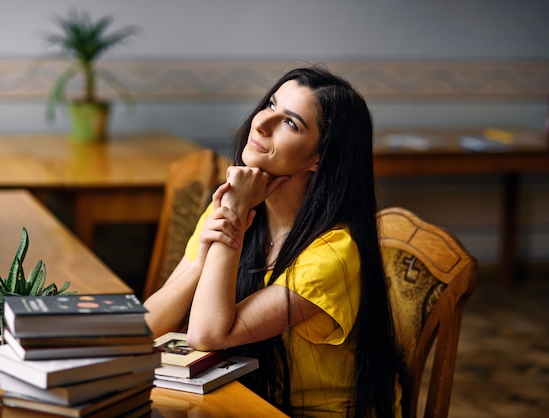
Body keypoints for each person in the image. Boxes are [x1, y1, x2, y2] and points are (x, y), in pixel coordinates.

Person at [144, 66, 401, 418]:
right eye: (270, 104)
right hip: (248, 400)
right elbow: (149, 326)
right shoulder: (235, 209)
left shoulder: (332, 253)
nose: (262, 123)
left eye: (291, 123)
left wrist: (232, 223)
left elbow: (205, 335)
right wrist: (204, 258)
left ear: (318, 158)